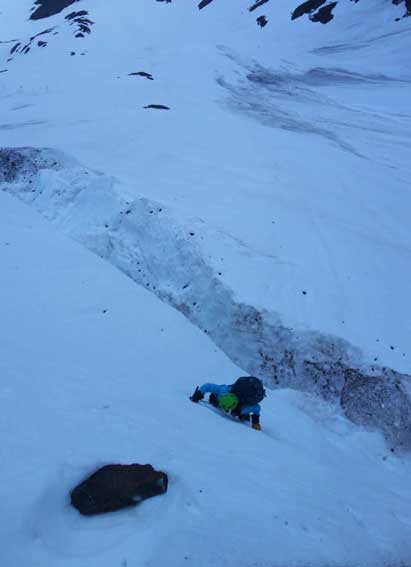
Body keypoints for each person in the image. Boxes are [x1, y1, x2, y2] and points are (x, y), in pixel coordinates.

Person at [190, 376, 265, 431]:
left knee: (241, 414)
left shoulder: (243, 409)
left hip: (241, 406)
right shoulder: (222, 391)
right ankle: (214, 399)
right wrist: (199, 393)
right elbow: (208, 386)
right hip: (228, 391)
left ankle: (244, 416)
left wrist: (256, 422)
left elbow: (257, 408)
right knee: (215, 397)